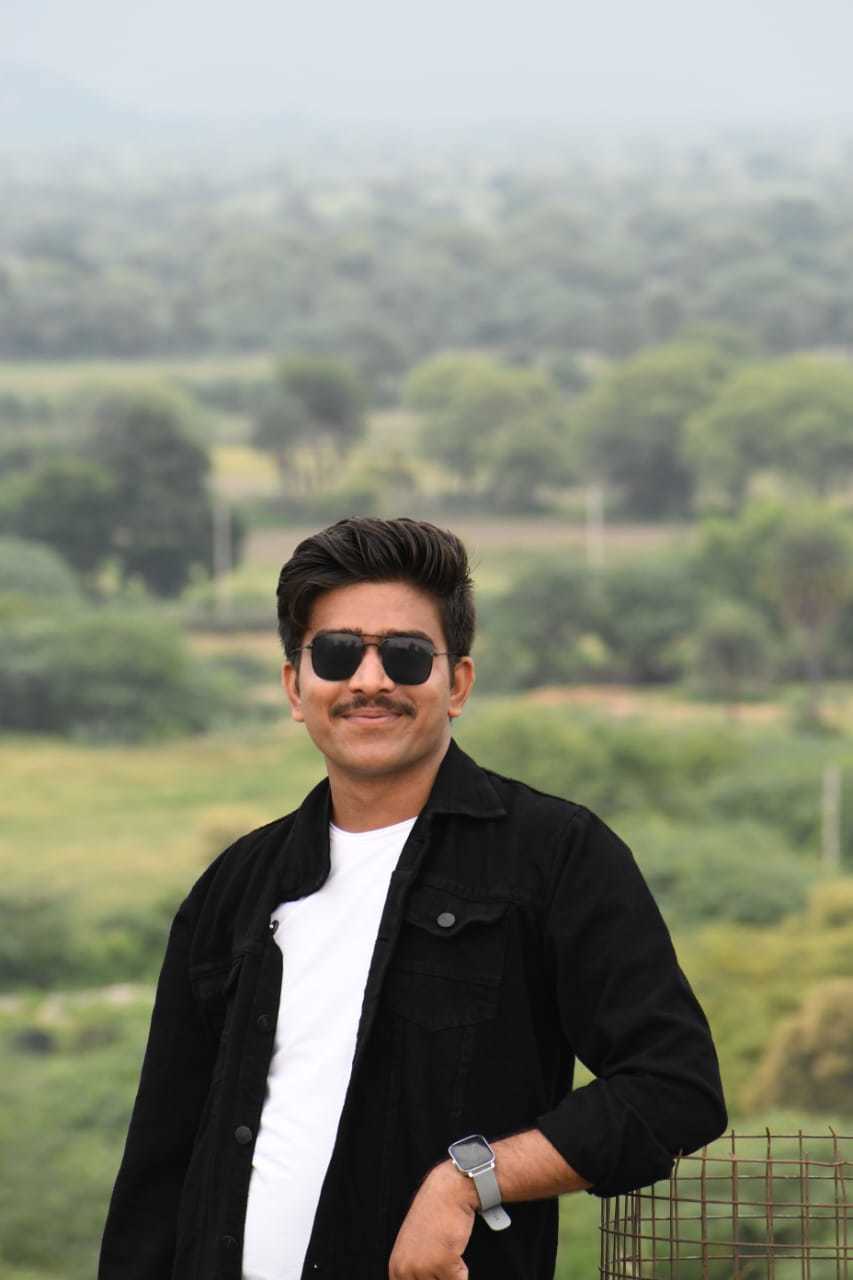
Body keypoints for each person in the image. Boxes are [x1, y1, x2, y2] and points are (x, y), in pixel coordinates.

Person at [98, 516, 726, 1280]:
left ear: (456, 683)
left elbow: (673, 1089)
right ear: (295, 686)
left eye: (404, 654)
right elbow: (160, 1165)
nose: (370, 681)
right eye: (337, 653)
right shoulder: (233, 889)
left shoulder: (554, 857)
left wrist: (470, 1179)